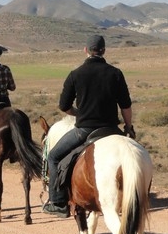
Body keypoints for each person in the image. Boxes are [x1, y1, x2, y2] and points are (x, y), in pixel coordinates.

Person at [43, 34, 136, 217]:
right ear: (104, 51)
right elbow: (125, 105)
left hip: (84, 130)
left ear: (85, 50)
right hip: (111, 129)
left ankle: (57, 202)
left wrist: (79, 113)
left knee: (53, 156)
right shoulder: (115, 73)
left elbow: (64, 106)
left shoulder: (75, 74)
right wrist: (128, 126)